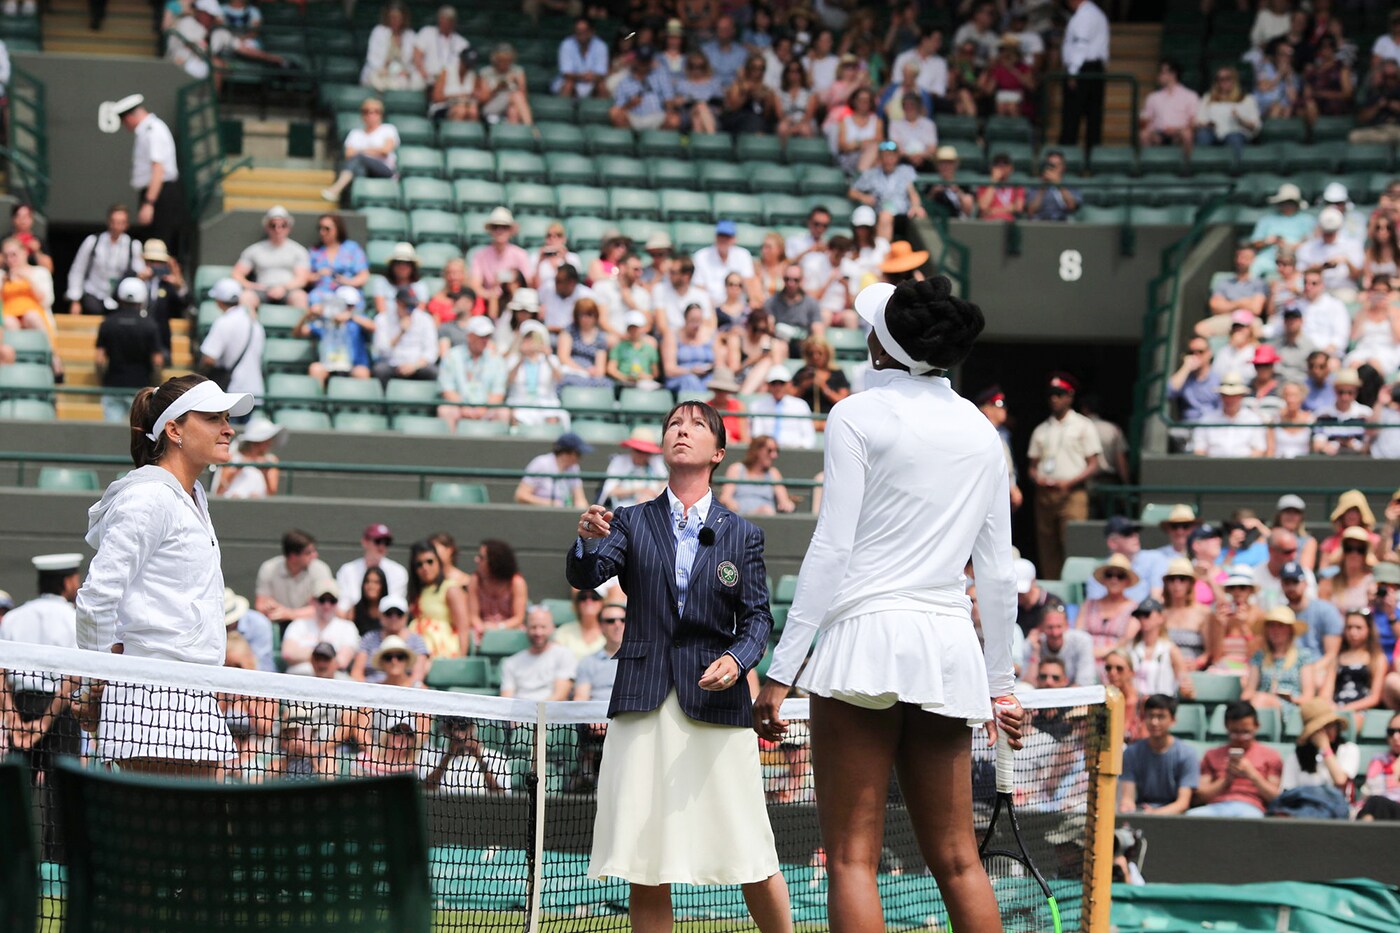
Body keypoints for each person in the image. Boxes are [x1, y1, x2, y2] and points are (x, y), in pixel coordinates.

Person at [753, 277, 1021, 933]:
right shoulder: (982, 433)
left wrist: (782, 671)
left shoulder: (855, 414)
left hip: (865, 644)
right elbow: (996, 573)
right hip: (947, 651)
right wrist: (1002, 685)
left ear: (884, 348)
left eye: (874, 327)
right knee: (959, 860)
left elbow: (831, 548)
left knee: (851, 858)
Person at [569, 399, 790, 931]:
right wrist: (585, 541)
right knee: (645, 863)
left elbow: (758, 619)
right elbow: (587, 576)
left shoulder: (743, 533)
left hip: (718, 706)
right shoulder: (629, 520)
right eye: (673, 424)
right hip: (642, 700)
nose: (681, 431)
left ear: (718, 452)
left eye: (695, 425)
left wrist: (736, 660)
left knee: (752, 853)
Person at [75, 375, 254, 774]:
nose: (228, 429)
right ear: (174, 430)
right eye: (213, 418)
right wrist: (97, 680)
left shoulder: (193, 495)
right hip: (154, 701)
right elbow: (96, 598)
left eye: (227, 418)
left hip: (192, 694)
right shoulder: (150, 497)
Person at [0, 553, 83, 794]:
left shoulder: (12, 618)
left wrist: (13, 719)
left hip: (21, 709)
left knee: (17, 794)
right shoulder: (75, 619)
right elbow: (73, 678)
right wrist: (45, 722)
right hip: (60, 715)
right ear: (67, 582)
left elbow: (1, 673)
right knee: (63, 798)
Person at [1028, 372, 1103, 579]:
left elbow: (1094, 464)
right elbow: (1032, 466)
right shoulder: (1041, 429)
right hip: (1046, 494)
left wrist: (1070, 482)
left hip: (1072, 494)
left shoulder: (1083, 425)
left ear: (1070, 396)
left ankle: (1073, 586)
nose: (1054, 398)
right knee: (1047, 546)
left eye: (1060, 394)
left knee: (1072, 543)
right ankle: (1053, 586)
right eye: (1051, 394)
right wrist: (1037, 478)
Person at [106, 95, 185, 253]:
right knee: (152, 243)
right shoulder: (147, 130)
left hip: (160, 194)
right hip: (156, 192)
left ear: (128, 118)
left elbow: (158, 168)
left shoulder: (153, 131)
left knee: (158, 244)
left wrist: (149, 203)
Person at [1188, 700, 1283, 817]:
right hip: (1216, 806)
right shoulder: (1211, 755)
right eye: (1235, 732)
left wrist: (1252, 774)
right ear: (1226, 727)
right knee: (1191, 817)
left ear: (1257, 726)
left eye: (1246, 732)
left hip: (1251, 807)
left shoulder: (1271, 756)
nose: (1241, 738)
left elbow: (1276, 797)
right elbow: (1200, 796)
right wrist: (1227, 779)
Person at [94, 276, 165, 423]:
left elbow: (99, 360)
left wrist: (102, 380)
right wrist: (155, 385)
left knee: (112, 431)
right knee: (140, 431)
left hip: (113, 385)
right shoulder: (150, 325)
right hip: (141, 388)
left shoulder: (108, 323)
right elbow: (157, 361)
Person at [1119, 695, 1200, 814]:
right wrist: (1127, 807)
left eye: (1161, 717)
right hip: (1142, 811)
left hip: (1175, 816)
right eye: (1150, 716)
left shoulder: (1187, 754)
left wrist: (1154, 813)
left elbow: (1182, 803)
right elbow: (1127, 797)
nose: (1154, 722)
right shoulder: (1131, 753)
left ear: (1173, 720)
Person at [66, 204, 145, 316]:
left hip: (120, 298)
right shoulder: (93, 241)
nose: (116, 226)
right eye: (114, 221)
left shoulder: (134, 246)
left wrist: (143, 274)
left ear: (127, 224)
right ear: (108, 222)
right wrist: (75, 300)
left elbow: (139, 273)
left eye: (121, 222)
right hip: (93, 294)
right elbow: (78, 270)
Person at [321, 97, 400, 204]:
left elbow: (385, 150)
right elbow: (348, 154)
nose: (371, 115)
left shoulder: (388, 129)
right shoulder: (355, 133)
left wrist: (360, 151)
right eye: (367, 112)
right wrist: (372, 151)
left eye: (376, 112)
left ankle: (336, 189)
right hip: (363, 171)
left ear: (381, 114)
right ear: (362, 115)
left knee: (359, 158)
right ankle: (353, 204)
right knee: (358, 169)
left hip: (385, 170)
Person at [199, 277, 266, 402]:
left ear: (219, 301)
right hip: (255, 392)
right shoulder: (255, 324)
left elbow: (209, 359)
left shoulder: (223, 322)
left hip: (233, 392)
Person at [231, 206, 310, 310]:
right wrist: (251, 286)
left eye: (283, 225)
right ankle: (248, 321)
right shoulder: (254, 250)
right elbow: (237, 273)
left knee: (300, 297)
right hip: (262, 289)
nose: (278, 229)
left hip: (289, 290)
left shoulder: (298, 250)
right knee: (246, 297)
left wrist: (283, 288)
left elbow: (302, 279)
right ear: (267, 227)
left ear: (289, 227)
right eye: (273, 225)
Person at [1282, 698, 1360, 801]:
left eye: (1332, 725)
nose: (1330, 730)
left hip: (1336, 807)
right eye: (1322, 728)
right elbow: (1288, 792)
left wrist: (1325, 748)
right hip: (1305, 807)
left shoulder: (1348, 749)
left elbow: (1340, 781)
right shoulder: (1295, 757)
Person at [437, 315, 508, 429]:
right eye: (481, 336)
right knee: (446, 410)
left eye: (487, 336)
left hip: (487, 408)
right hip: (458, 407)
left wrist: (483, 408)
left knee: (503, 412)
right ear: (469, 336)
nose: (485, 340)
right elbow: (447, 389)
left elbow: (498, 392)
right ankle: (450, 441)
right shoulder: (452, 356)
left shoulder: (496, 359)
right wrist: (463, 407)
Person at [847, 141, 926, 243]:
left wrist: (916, 206)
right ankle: (883, 249)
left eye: (892, 155)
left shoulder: (906, 171)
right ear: (880, 158)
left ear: (897, 157)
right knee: (885, 216)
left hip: (903, 214)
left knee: (920, 215)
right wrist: (863, 197)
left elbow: (912, 192)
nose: (889, 159)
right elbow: (852, 192)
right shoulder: (871, 174)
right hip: (880, 213)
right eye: (885, 156)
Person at [296, 285, 374, 386]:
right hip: (328, 364)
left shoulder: (357, 321)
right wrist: (308, 314)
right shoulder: (323, 321)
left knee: (362, 372)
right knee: (316, 369)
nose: (349, 309)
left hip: (353, 365)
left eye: (352, 306)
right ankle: (317, 396)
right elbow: (298, 333)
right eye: (347, 305)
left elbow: (373, 327)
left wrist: (351, 316)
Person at [254, 529, 333, 624]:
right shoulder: (269, 568)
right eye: (308, 553)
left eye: (314, 551)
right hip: (277, 622)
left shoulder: (321, 569)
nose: (315, 555)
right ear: (293, 556)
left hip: (310, 624)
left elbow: (326, 608)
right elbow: (260, 604)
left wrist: (289, 614)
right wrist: (270, 607)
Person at [1059, 0, 1109, 150]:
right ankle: (1091, 153)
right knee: (1093, 115)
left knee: (1072, 116)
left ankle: (1068, 153)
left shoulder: (1085, 15)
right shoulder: (1095, 13)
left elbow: (1081, 44)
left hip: (1083, 69)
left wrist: (1073, 71)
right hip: (1093, 68)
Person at [406, 540, 469, 658]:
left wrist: (462, 659)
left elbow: (463, 627)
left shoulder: (450, 588)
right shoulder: (417, 592)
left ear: (438, 562)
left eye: (430, 561)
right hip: (416, 651)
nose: (425, 567)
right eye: (419, 564)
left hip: (443, 653)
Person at [498, 606, 577, 701]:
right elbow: (506, 700)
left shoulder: (564, 655)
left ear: (552, 628)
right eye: (533, 627)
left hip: (551, 708)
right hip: (519, 709)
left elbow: (560, 695)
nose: (538, 632)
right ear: (525, 628)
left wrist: (538, 709)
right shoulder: (511, 663)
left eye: (543, 627)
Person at [281, 581, 360, 675]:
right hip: (299, 676)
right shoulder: (298, 624)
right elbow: (288, 654)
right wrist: (325, 655)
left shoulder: (348, 627)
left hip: (332, 680)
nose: (327, 605)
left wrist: (306, 654)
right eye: (322, 600)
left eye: (332, 600)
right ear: (312, 601)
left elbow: (342, 661)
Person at [371, 285, 439, 385]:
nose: (410, 310)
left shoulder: (425, 319)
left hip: (417, 365)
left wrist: (415, 366)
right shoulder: (382, 319)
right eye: (407, 306)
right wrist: (401, 333)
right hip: (392, 364)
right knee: (379, 370)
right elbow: (380, 351)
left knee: (433, 372)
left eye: (413, 306)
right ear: (397, 303)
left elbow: (431, 351)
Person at [420, 717, 507, 794]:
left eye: (462, 727)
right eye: (451, 726)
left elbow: (503, 798)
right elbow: (423, 791)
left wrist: (480, 759)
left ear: (472, 728)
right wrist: (448, 757)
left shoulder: (495, 757)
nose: (457, 733)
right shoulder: (432, 756)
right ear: (445, 729)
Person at [1323, 608, 1387, 713]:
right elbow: (1325, 693)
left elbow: (1375, 697)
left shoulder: (1377, 658)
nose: (1353, 632)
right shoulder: (1337, 658)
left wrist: (1347, 709)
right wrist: (1333, 707)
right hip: (1335, 709)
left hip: (1362, 711)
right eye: (1349, 627)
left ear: (1369, 629)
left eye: (1358, 627)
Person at [335, 522, 409, 612]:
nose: (382, 546)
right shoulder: (347, 570)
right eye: (377, 541)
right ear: (364, 542)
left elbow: (395, 605)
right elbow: (342, 605)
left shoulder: (398, 572)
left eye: (386, 543)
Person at [717, 435, 796, 516]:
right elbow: (725, 497)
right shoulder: (737, 469)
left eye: (776, 451)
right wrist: (730, 503)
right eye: (769, 451)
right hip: (740, 518)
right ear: (757, 450)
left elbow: (784, 500)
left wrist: (788, 505)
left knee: (766, 510)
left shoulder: (773, 473)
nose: (774, 455)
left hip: (766, 519)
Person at [1021, 603, 1097, 687]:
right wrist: (1035, 652)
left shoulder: (1082, 641)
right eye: (1050, 627)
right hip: (1042, 692)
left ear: (1067, 625)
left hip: (1073, 693)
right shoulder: (1032, 644)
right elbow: (1027, 685)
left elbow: (1085, 682)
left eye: (1059, 626)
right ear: (1041, 628)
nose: (1055, 633)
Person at [306, 214, 369, 312]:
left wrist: (347, 281)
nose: (322, 232)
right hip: (322, 294)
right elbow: (305, 277)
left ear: (337, 229)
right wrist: (318, 274)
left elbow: (363, 276)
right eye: (320, 228)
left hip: (347, 292)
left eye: (327, 229)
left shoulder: (352, 248)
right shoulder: (315, 251)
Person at [1193, 66, 1260, 161]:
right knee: (1203, 135)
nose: (1223, 82)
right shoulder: (1208, 98)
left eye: (1227, 78)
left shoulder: (1247, 99)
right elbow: (1199, 120)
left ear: (1234, 80)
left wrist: (1240, 120)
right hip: (1213, 133)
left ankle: (1234, 168)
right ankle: (1203, 166)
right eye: (1220, 79)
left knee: (1234, 137)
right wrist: (1208, 124)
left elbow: (1255, 126)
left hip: (1237, 133)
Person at [1191, 375, 1267, 457]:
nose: (1230, 400)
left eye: (1234, 396)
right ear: (1221, 397)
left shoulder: (1253, 419)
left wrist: (1242, 464)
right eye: (1226, 395)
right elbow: (1199, 450)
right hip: (1213, 464)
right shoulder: (1206, 420)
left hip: (1245, 464)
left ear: (1241, 396)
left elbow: (1259, 450)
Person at [466, 539, 529, 637]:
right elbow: (473, 616)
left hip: (510, 631)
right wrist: (481, 627)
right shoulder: (475, 580)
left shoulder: (516, 582)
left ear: (495, 561)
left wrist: (498, 627)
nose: (476, 560)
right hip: (482, 631)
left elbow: (518, 618)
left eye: (481, 558)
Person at [211, 416, 283, 499]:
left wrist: (265, 473)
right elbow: (219, 491)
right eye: (265, 439)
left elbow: (272, 494)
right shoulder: (232, 458)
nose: (269, 442)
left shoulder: (272, 460)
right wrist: (235, 471)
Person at [748, 365, 816, 451]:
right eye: (774, 383)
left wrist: (798, 449)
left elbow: (809, 438)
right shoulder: (756, 406)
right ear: (768, 385)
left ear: (789, 384)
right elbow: (756, 434)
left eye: (781, 383)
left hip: (795, 452)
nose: (778, 387)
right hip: (765, 452)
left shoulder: (800, 405)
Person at [516, 431, 591, 509]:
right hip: (538, 512)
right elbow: (521, 495)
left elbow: (580, 499)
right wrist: (550, 503)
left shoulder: (574, 468)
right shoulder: (541, 463)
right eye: (578, 454)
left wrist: (585, 512)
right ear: (566, 453)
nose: (580, 458)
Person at [1139, 59, 1199, 156]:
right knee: (1143, 135)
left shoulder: (1190, 95)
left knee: (1187, 135)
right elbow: (1147, 119)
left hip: (1179, 134)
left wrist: (1176, 129)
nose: (1159, 76)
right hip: (1158, 133)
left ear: (1173, 74)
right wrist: (1152, 131)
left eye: (1162, 73)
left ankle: (1187, 165)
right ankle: (1148, 163)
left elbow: (1193, 122)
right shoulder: (1153, 97)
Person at [598, 428, 668, 509]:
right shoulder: (619, 461)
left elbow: (666, 487)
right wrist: (638, 490)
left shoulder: (657, 463)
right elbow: (610, 491)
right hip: (624, 510)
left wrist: (652, 498)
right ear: (632, 449)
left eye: (646, 452)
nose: (642, 455)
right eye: (638, 451)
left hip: (652, 509)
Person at [361, 1, 420, 91]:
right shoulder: (378, 31)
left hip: (401, 73)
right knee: (377, 80)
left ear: (403, 18)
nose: (394, 20)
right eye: (392, 17)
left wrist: (405, 71)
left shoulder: (410, 35)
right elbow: (372, 58)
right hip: (381, 71)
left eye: (398, 17)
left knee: (413, 81)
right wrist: (385, 69)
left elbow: (413, 61)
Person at [1025, 150, 1080, 222]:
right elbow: (1031, 211)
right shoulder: (1036, 184)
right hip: (1040, 222)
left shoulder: (1071, 184)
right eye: (1051, 165)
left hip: (1062, 222)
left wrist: (1059, 184)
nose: (1054, 168)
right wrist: (1043, 186)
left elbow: (1072, 207)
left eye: (1058, 165)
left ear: (1063, 167)